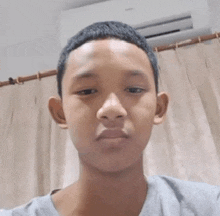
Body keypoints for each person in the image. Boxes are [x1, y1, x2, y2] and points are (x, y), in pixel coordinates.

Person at [1, 21, 219, 216]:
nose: (112, 109)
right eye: (87, 91)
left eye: (134, 89)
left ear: (159, 108)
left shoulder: (210, 207)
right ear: (60, 112)